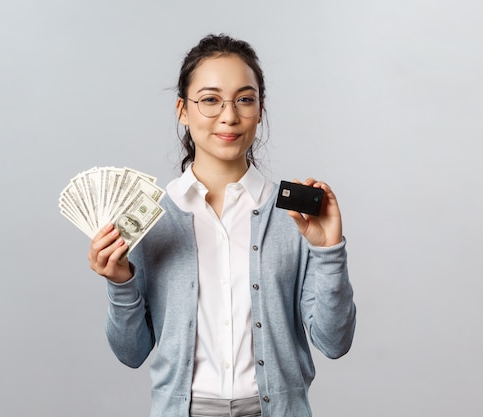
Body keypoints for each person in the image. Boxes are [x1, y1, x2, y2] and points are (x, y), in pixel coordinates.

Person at [88, 34, 356, 417]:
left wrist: (328, 250)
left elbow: (334, 342)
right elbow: (130, 353)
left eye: (244, 99)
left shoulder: (295, 215)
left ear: (260, 110)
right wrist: (120, 284)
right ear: (183, 109)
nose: (229, 116)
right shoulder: (150, 217)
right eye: (210, 99)